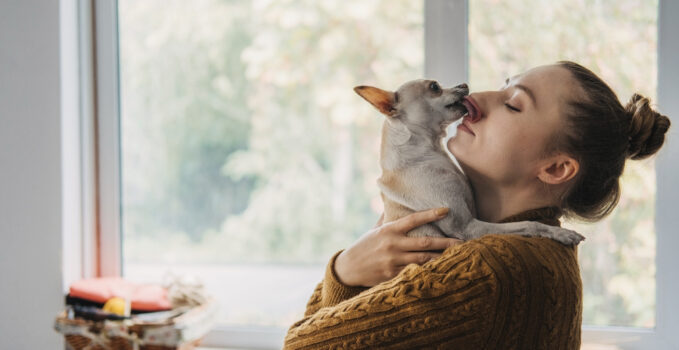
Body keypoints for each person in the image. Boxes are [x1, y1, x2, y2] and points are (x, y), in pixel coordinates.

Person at [283, 61, 671, 349]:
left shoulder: (490, 269)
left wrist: (345, 271)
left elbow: (300, 345)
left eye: (514, 105)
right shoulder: (536, 255)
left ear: (555, 168)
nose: (477, 99)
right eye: (502, 86)